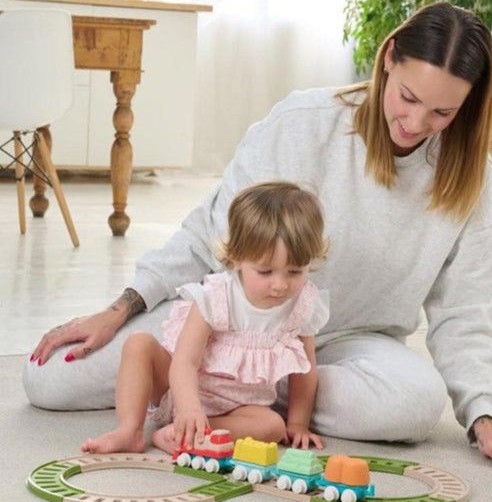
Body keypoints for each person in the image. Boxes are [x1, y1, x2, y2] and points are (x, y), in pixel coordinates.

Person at [25, 2, 492, 474]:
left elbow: (467, 310)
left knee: (415, 402)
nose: (415, 122)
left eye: (443, 112)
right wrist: (122, 307)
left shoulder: (472, 179)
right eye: (408, 97)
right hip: (226, 326)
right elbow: (207, 235)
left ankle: (249, 399)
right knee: (47, 378)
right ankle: (236, 394)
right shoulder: (304, 121)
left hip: (347, 344)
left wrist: (485, 416)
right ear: (389, 57)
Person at [81, 181, 328, 455]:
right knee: (138, 343)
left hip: (240, 409)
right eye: (265, 272)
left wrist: (297, 423)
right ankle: (130, 431)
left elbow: (305, 370)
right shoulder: (216, 296)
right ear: (236, 258)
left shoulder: (302, 304)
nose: (280, 285)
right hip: (182, 390)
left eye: (295, 272)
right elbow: (184, 362)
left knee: (272, 427)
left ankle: (187, 434)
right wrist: (189, 409)